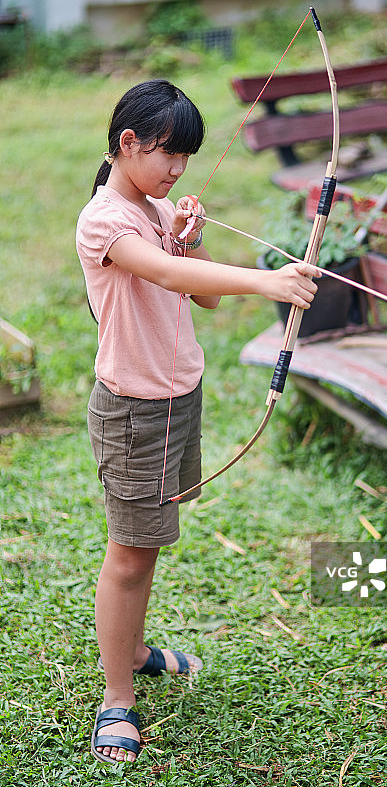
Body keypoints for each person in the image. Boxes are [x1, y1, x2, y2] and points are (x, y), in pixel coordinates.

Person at [76, 79, 319, 765]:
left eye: (186, 156)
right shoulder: (106, 220)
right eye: (168, 154)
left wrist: (197, 242)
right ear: (129, 144)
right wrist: (270, 280)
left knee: (148, 541)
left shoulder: (153, 208)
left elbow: (202, 295)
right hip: (135, 411)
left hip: (178, 397)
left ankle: (137, 647)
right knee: (128, 554)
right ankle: (116, 697)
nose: (178, 170)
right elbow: (162, 274)